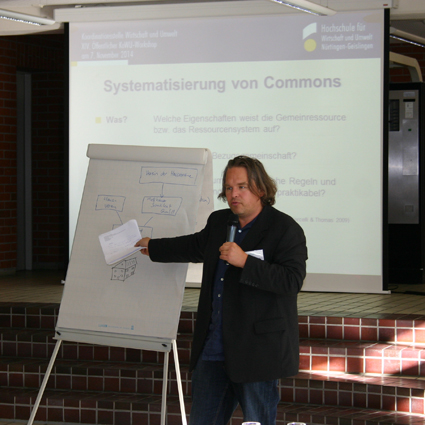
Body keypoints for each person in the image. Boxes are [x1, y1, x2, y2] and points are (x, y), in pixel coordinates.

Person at [135, 155, 307, 425]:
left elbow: (291, 281)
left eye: (242, 187)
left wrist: (245, 261)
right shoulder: (220, 222)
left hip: (256, 352)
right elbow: (194, 246)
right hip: (214, 349)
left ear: (261, 189)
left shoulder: (284, 229)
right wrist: (153, 246)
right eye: (228, 187)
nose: (233, 194)